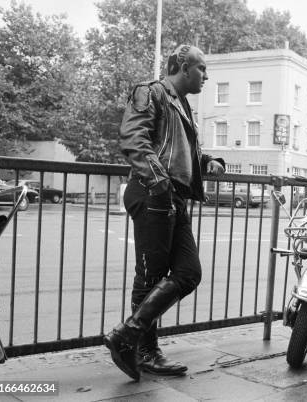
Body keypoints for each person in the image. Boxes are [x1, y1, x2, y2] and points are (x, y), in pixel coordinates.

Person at [104, 44, 225, 381]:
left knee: (188, 272)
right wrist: (159, 184)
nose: (206, 76)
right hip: (154, 191)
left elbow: (182, 151)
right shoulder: (151, 92)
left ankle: (127, 336)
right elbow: (134, 139)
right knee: (150, 277)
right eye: (202, 68)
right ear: (183, 66)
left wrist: (208, 162)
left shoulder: (182, 106)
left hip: (172, 195)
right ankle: (145, 351)